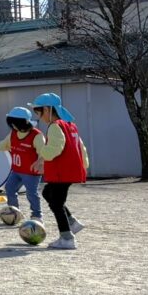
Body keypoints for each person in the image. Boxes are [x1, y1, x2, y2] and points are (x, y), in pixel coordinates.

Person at [29, 93, 89, 250]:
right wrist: (83, 165)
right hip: (70, 170)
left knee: (56, 203)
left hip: (63, 172)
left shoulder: (55, 126)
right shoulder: (70, 125)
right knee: (47, 192)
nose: (38, 115)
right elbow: (80, 147)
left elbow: (54, 149)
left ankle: (67, 238)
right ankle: (72, 223)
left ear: (48, 109)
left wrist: (40, 153)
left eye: (38, 111)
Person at [0, 107, 44, 221]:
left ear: (22, 123)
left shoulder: (36, 135)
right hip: (17, 170)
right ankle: (14, 212)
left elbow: (43, 151)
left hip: (31, 172)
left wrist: (40, 162)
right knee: (10, 188)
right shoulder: (13, 133)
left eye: (14, 123)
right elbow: (5, 143)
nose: (12, 126)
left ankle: (37, 215)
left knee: (31, 194)